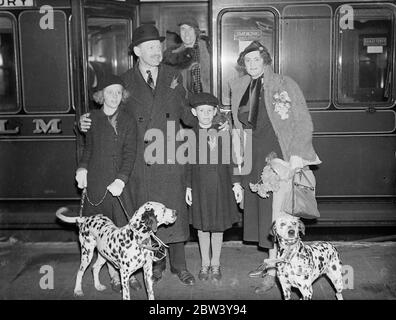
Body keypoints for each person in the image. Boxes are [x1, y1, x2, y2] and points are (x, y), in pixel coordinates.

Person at [79, 25, 196, 286]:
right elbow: (109, 111)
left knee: (174, 209)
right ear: (137, 51)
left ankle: (180, 265)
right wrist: (86, 122)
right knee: (146, 212)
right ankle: (154, 263)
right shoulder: (124, 80)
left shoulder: (174, 75)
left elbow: (186, 111)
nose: (158, 51)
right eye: (151, 47)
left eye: (159, 46)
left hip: (169, 152)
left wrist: (209, 119)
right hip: (141, 158)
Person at [228, 41, 321, 293]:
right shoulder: (238, 86)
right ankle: (272, 265)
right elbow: (238, 127)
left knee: (278, 215)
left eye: (257, 59)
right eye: (248, 61)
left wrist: (296, 157)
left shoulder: (285, 84)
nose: (253, 64)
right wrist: (238, 165)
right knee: (262, 215)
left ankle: (278, 273)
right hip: (253, 155)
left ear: (266, 60)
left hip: (279, 157)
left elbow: (302, 120)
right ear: (243, 65)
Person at [75, 74, 138, 292]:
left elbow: (130, 154)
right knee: (102, 232)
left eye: (118, 92)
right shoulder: (92, 118)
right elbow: (88, 150)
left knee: (121, 227)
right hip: (97, 181)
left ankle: (126, 271)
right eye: (110, 92)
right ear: (101, 96)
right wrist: (82, 168)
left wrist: (121, 179)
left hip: (119, 182)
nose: (114, 96)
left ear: (123, 96)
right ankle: (114, 275)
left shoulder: (128, 120)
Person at [185, 93, 243, 282]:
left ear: (215, 112)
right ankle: (204, 264)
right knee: (202, 227)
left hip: (220, 187)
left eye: (209, 111)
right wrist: (188, 187)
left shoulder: (222, 132)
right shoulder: (190, 135)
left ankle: (216, 264)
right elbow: (186, 164)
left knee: (217, 226)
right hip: (199, 187)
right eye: (202, 111)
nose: (206, 114)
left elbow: (231, 160)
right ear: (194, 112)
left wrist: (236, 184)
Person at [163, 16, 210, 94]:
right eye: (183, 29)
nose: (186, 33)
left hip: (206, 100)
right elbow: (166, 82)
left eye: (190, 29)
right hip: (183, 101)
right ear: (179, 32)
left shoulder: (208, 49)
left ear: (196, 31)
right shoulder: (171, 54)